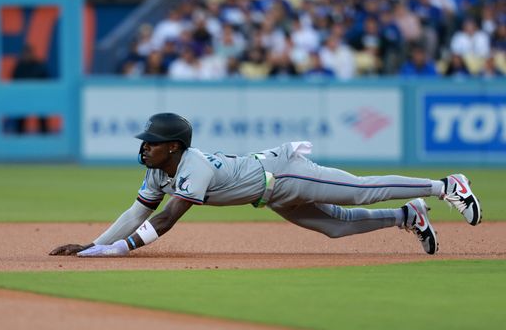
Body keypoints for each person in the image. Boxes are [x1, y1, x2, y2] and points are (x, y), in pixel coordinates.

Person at [50, 113, 482, 258]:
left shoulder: (193, 167)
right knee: (337, 227)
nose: (144, 149)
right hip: (269, 194)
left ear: (174, 146)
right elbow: (136, 213)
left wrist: (119, 250)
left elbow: (164, 220)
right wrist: (94, 244)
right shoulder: (159, 171)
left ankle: (445, 186)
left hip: (284, 174)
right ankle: (408, 216)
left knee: (357, 191)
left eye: (151, 144)